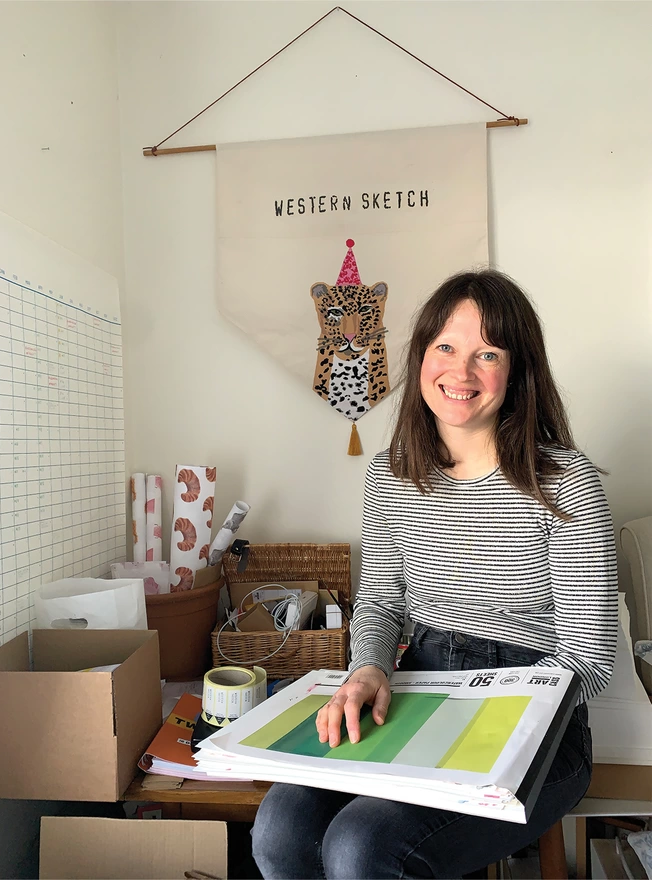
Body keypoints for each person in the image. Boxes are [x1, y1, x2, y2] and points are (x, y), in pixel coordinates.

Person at [252, 269, 618, 880]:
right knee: (281, 827)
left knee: (363, 847)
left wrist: (479, 713)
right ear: (420, 355)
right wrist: (369, 669)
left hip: (536, 719)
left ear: (518, 370)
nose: (461, 370)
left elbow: (589, 663)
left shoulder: (565, 484)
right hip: (418, 694)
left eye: (488, 354)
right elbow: (380, 606)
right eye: (445, 347)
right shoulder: (390, 474)